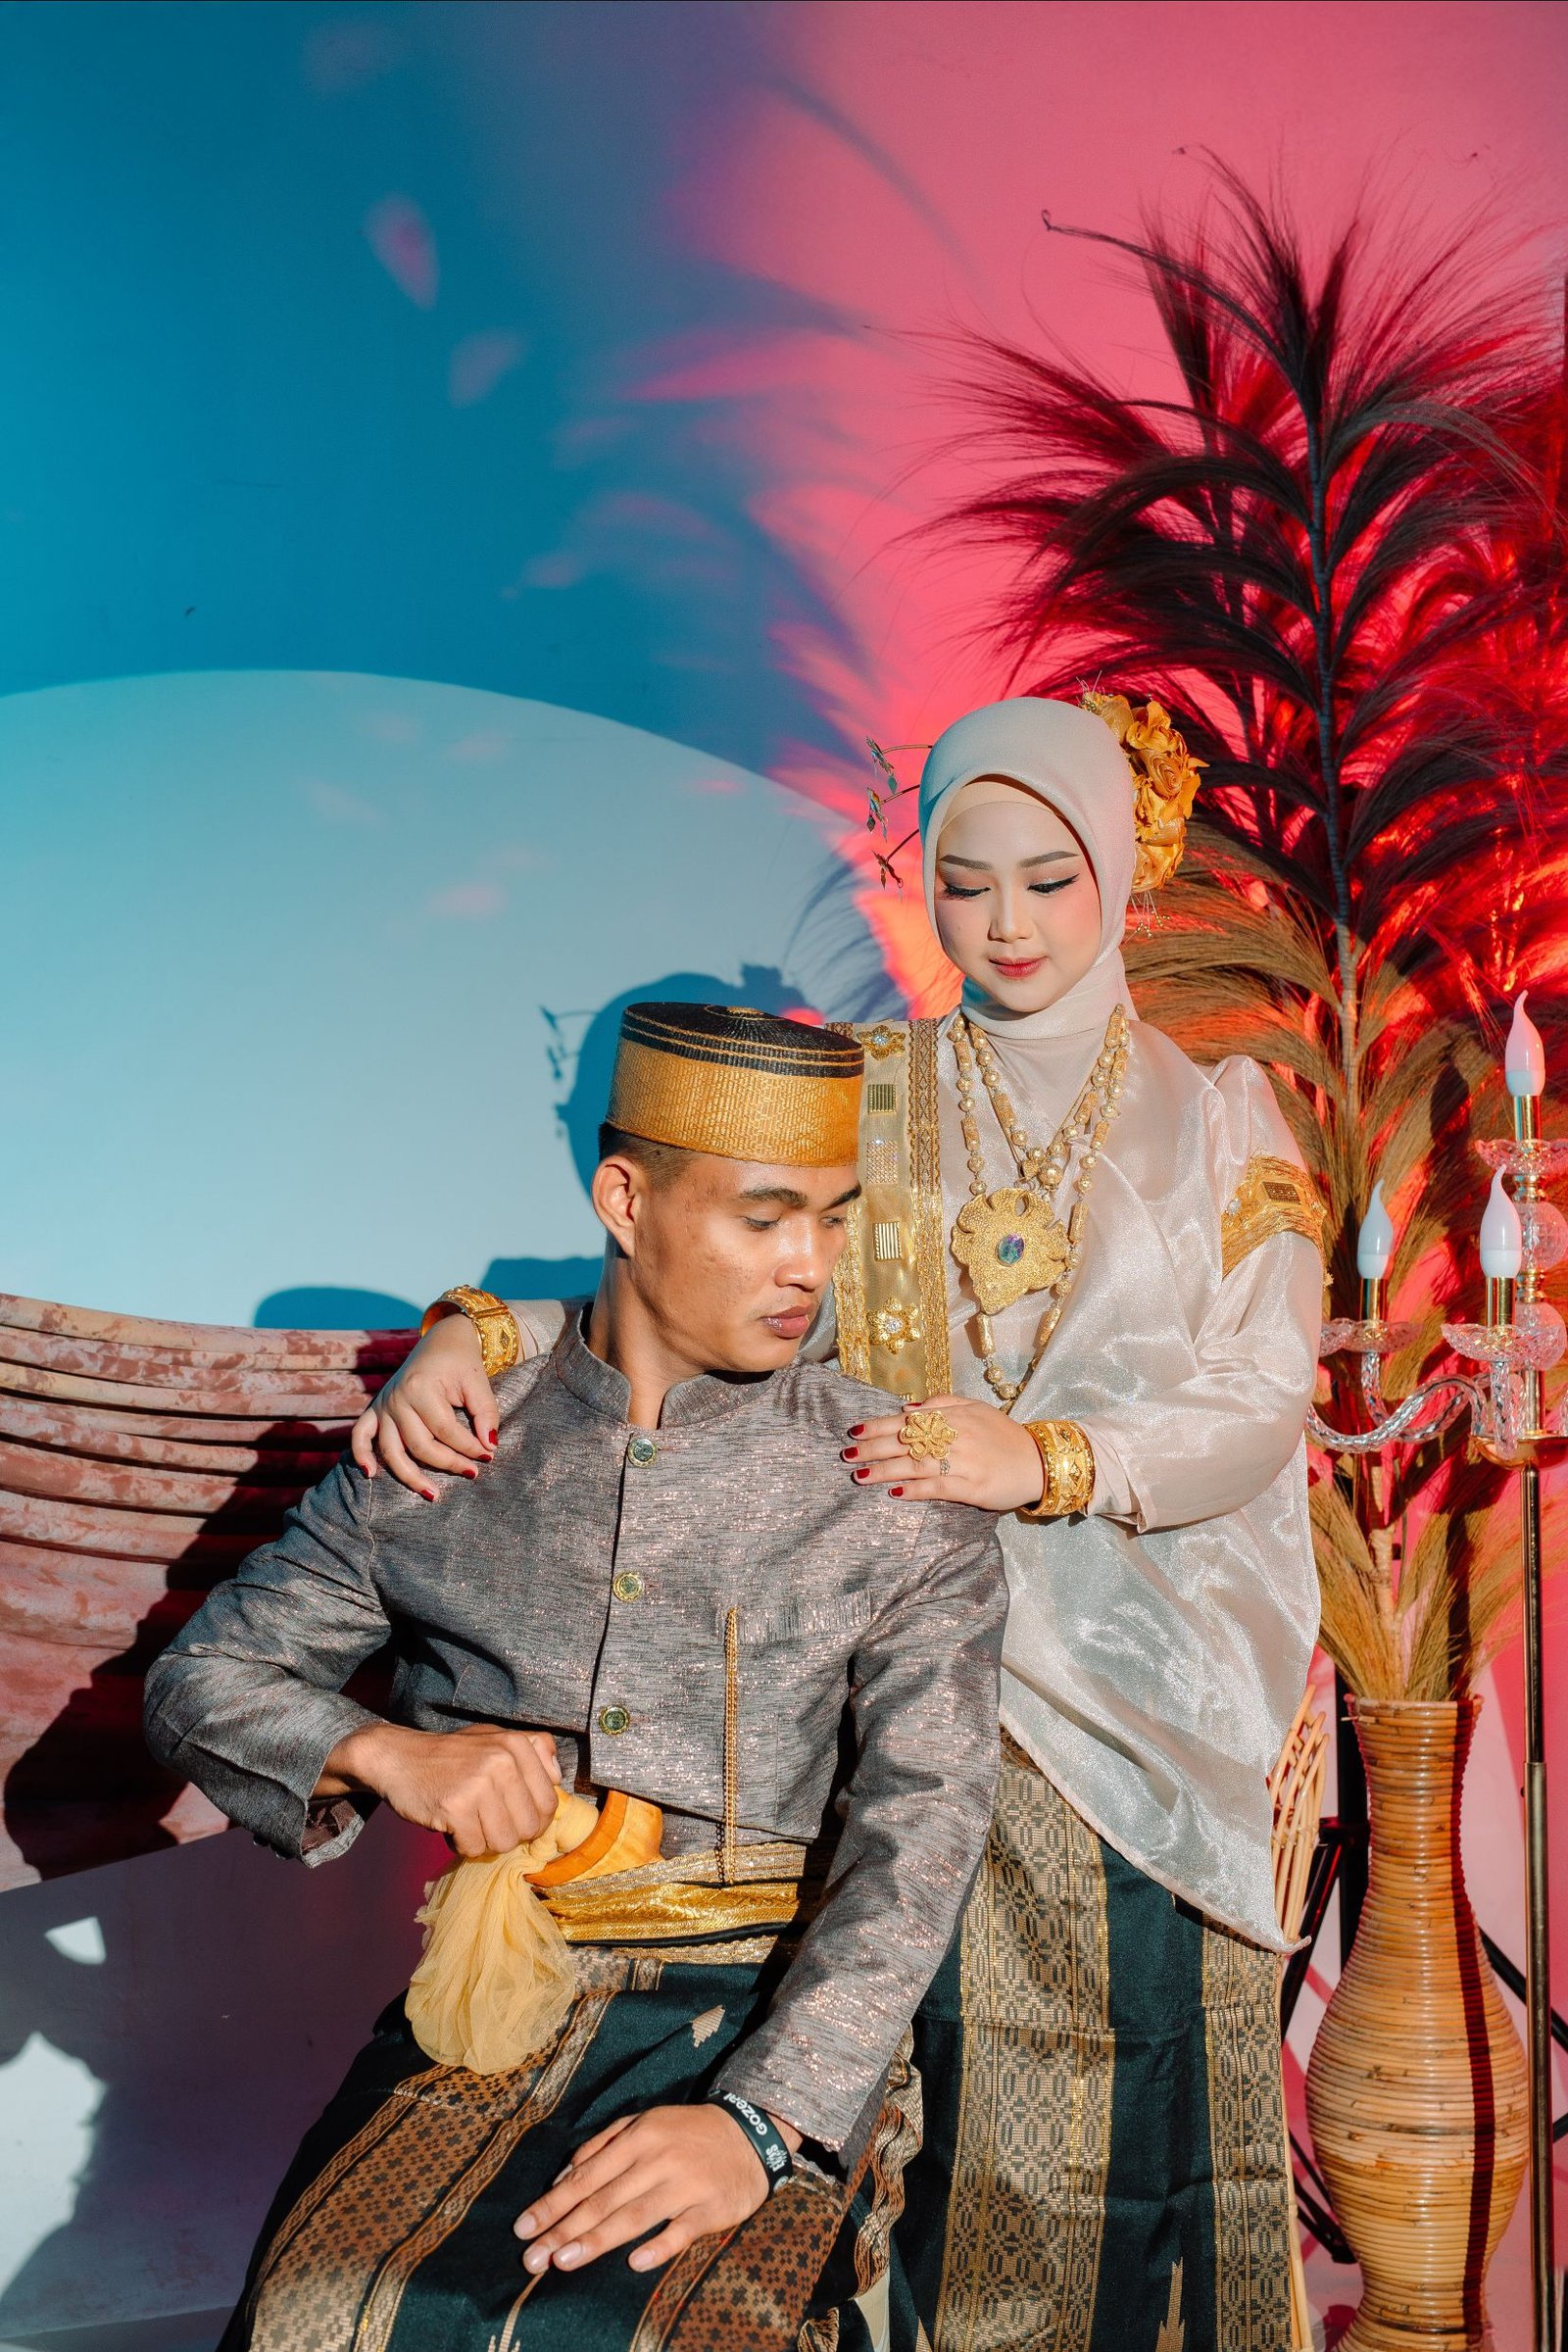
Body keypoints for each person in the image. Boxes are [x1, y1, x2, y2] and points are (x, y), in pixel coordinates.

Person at [363, 697, 1326, 2352]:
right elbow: (676, 1284)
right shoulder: (859, 1101)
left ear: (1122, 874)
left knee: (1115, 2124)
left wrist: (1047, 1460)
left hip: (1131, 1694)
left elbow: (1262, 1397)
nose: (1006, 925)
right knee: (882, 2102)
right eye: (965, 882)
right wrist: (476, 1328)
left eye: (1049, 879)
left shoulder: (1223, 1120)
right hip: (872, 1666)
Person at [143, 1003, 1007, 2352]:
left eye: (833, 1220)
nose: (810, 1266)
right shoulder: (450, 1442)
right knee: (321, 2314)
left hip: (770, 2016)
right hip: (495, 2003)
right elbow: (201, 1681)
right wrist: (384, 1752)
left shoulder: (888, 1481)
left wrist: (762, 2125)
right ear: (624, 1200)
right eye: (765, 1218)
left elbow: (925, 1833)